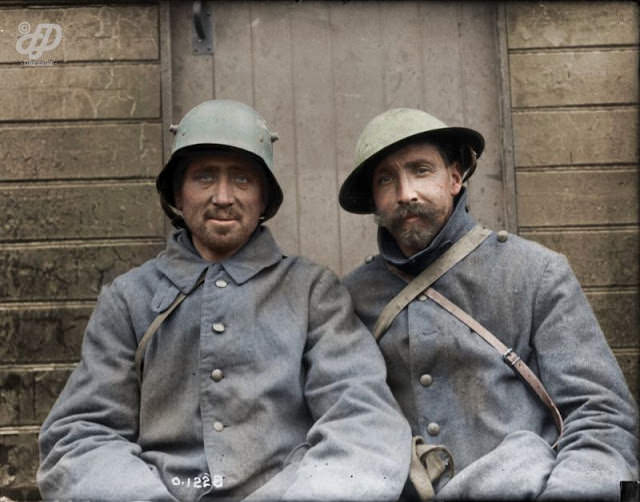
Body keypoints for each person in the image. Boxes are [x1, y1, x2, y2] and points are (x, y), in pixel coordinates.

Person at [37, 100, 412, 501]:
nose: (223, 197)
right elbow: (81, 434)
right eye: (204, 178)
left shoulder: (311, 291)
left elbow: (362, 422)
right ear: (177, 196)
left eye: (242, 180)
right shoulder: (129, 299)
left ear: (264, 200)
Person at [339, 107, 638, 500]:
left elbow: (600, 417)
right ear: (375, 200)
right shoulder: (352, 297)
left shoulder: (534, 272)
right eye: (386, 180)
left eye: (421, 171)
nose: (405, 193)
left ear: (455, 178)